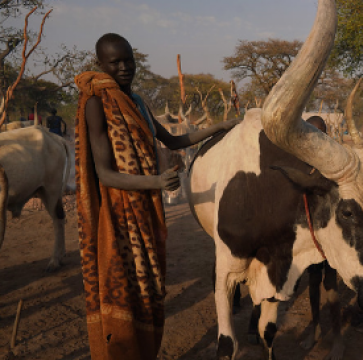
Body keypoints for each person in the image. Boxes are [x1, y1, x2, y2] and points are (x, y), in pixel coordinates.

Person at [74, 33, 239, 360]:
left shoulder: (138, 102)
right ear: (101, 65)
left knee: (148, 288)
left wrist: (220, 127)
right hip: (119, 214)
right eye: (115, 62)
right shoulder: (95, 105)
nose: (123, 68)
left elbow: (175, 141)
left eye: (128, 60)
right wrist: (155, 182)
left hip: (146, 209)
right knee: (124, 288)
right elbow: (105, 173)